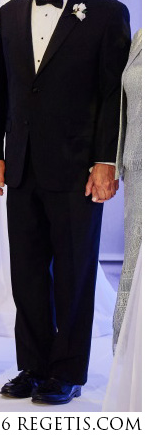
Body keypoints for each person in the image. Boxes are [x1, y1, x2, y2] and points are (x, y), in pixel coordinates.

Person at [0, 0, 131, 405]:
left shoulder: (108, 14)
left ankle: (66, 372)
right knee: (26, 273)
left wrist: (105, 161)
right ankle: (33, 365)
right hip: (21, 164)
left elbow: (113, 96)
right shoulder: (10, 14)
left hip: (78, 170)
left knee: (73, 272)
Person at [113, 27, 141, 348]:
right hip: (138, 166)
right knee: (134, 258)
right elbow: (122, 102)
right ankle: (128, 348)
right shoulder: (143, 36)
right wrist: (115, 160)